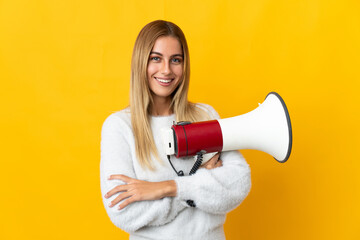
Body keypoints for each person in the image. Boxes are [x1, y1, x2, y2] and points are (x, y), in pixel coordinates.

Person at [100, 20, 251, 240]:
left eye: (176, 60)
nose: (166, 70)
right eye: (156, 58)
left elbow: (238, 183)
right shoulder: (119, 126)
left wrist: (166, 188)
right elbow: (124, 212)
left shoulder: (205, 116)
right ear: (141, 61)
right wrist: (199, 184)